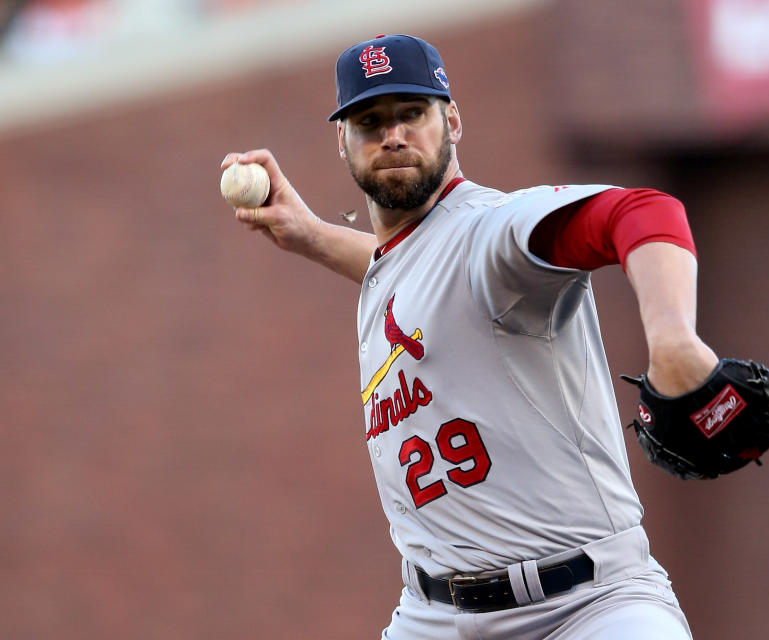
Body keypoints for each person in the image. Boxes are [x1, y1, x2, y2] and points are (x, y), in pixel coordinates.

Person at [221, 34, 719, 640]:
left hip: (587, 608)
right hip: (433, 617)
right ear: (343, 144)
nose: (393, 135)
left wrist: (673, 341)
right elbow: (414, 274)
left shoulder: (491, 232)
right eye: (370, 121)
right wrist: (311, 235)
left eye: (412, 113)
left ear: (452, 119)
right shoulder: (399, 262)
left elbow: (643, 211)